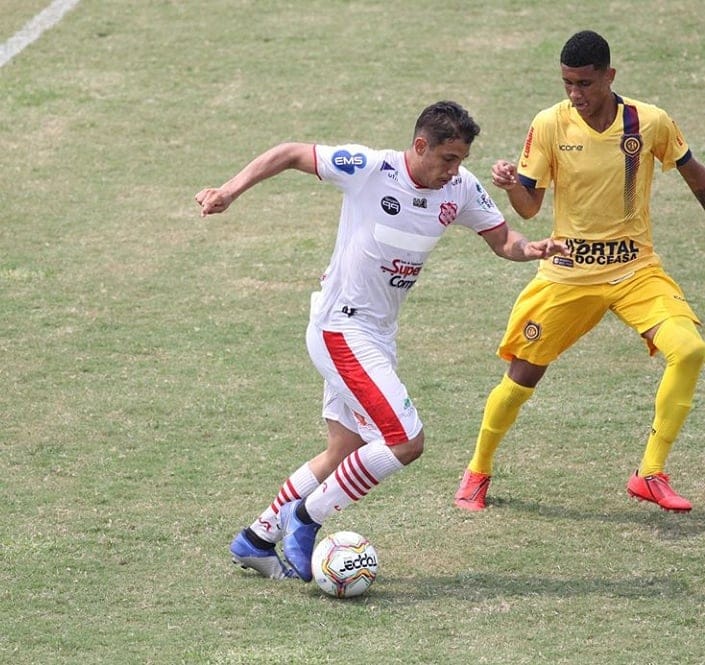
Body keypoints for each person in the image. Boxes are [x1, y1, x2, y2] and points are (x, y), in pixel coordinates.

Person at [195, 101, 567, 581]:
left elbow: (503, 241)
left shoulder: (461, 188)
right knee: (406, 441)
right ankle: (306, 517)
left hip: (377, 335)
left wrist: (530, 250)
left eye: (460, 159)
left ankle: (256, 538)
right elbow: (289, 152)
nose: (455, 170)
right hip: (341, 329)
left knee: (345, 447)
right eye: (448, 158)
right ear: (419, 146)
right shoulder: (370, 169)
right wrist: (228, 191)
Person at [455, 31, 705, 514]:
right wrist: (510, 186)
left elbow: (693, 173)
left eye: (585, 83)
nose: (576, 94)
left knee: (691, 348)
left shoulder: (649, 123)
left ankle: (650, 473)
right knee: (521, 378)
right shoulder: (550, 124)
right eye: (568, 83)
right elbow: (529, 209)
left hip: (636, 270)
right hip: (568, 274)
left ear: (610, 76)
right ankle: (478, 470)